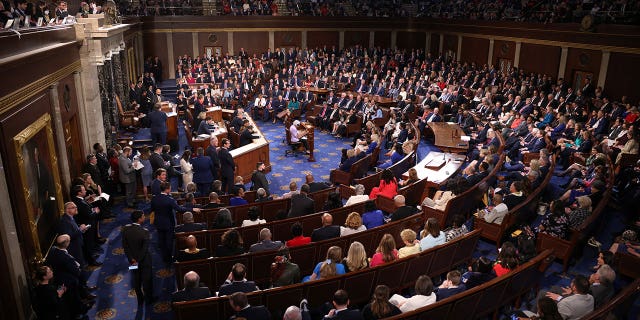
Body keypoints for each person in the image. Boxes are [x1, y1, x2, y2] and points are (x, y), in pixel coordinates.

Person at [151, 181, 199, 263]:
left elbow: (152, 209)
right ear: (167, 189)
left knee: (161, 240)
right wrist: (192, 209)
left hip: (158, 222)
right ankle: (169, 259)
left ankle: (164, 257)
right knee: (169, 242)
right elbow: (180, 209)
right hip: (168, 223)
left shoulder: (154, 198)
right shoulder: (169, 199)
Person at [122, 210, 154, 305]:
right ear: (139, 219)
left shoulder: (125, 229)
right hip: (144, 261)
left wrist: (132, 259)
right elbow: (144, 250)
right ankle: (149, 299)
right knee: (147, 280)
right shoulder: (145, 232)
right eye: (143, 216)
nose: (145, 217)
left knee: (136, 279)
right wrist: (138, 260)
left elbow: (125, 246)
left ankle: (140, 300)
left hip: (132, 261)